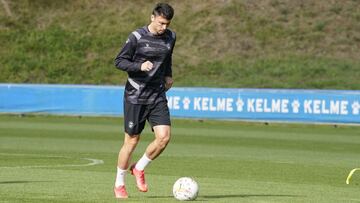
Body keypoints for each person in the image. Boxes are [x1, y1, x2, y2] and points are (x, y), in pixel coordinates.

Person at [113, 2, 176, 199]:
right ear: (152, 17)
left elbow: (167, 58)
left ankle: (139, 168)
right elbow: (119, 61)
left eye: (167, 24)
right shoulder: (137, 37)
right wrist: (139, 66)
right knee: (132, 141)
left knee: (164, 137)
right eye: (161, 23)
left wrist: (168, 75)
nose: (163, 27)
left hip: (157, 95)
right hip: (136, 95)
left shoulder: (171, 36)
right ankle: (119, 184)